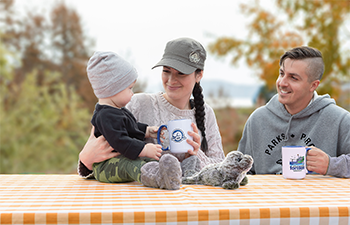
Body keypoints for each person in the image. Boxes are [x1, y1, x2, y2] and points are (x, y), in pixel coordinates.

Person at [78, 38, 225, 181]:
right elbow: (98, 145)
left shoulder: (207, 114)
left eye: (181, 73)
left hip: (189, 201)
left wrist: (195, 154)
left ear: (199, 75)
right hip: (143, 201)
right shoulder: (137, 103)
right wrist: (85, 159)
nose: (171, 80)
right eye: (166, 71)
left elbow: (222, 169)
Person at [238, 46, 350, 178]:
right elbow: (241, 171)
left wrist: (331, 165)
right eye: (281, 73)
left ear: (313, 85)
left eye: (293, 78)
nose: (282, 83)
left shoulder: (340, 119)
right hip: (267, 198)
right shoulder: (257, 119)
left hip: (318, 198)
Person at [84, 51, 182, 190]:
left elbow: (131, 127)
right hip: (105, 166)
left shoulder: (117, 110)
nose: (132, 93)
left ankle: (177, 172)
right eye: (129, 88)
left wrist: (148, 131)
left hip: (118, 161)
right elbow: (120, 140)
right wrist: (144, 149)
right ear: (112, 89)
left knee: (149, 161)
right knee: (132, 164)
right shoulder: (105, 116)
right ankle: (159, 178)